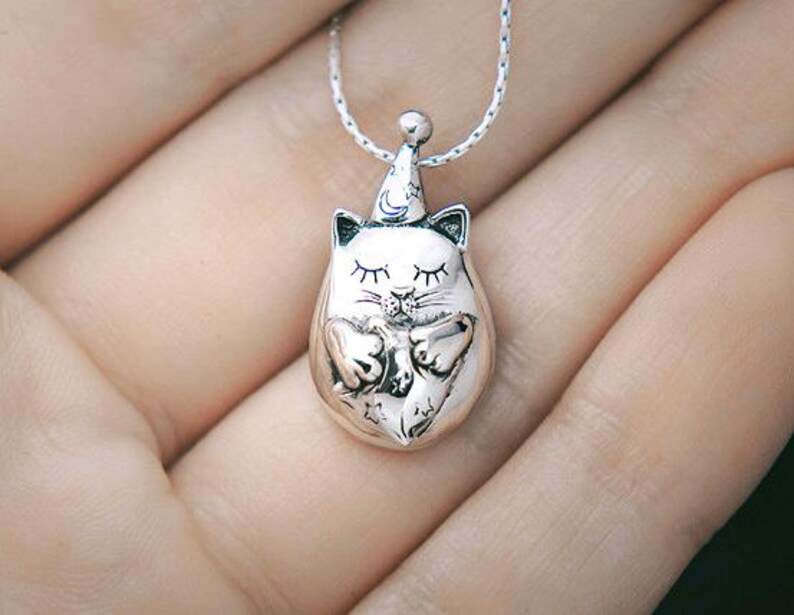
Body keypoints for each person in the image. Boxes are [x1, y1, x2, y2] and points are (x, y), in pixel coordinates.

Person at [0, 0, 792, 612]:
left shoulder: (449, 303)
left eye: (420, 276)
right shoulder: (359, 282)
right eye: (382, 275)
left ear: (454, 240)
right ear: (348, 245)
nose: (404, 291)